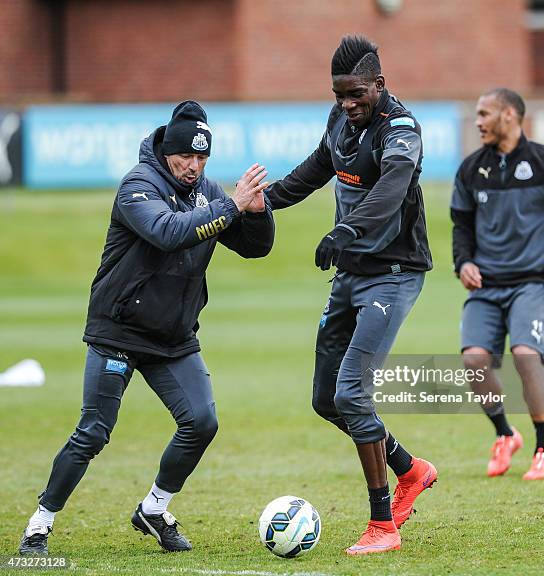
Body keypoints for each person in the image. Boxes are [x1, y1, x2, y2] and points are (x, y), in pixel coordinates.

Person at [18, 101, 274, 555]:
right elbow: (167, 232)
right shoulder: (138, 184)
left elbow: (256, 250)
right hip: (120, 329)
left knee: (201, 422)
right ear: (167, 151)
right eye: (186, 158)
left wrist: (255, 211)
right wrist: (229, 206)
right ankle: (40, 523)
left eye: (202, 159)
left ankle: (154, 509)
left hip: (173, 337)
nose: (193, 167)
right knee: (94, 431)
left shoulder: (207, 190)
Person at [265, 35, 437, 555]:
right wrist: (262, 202)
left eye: (356, 93)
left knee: (351, 395)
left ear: (379, 86)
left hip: (393, 273)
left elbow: (389, 191)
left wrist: (346, 232)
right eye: (340, 94)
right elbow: (316, 168)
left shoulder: (401, 130)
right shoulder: (340, 120)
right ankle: (410, 469)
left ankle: (382, 526)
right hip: (351, 275)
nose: (347, 103)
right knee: (326, 399)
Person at [451, 88, 544, 481]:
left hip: (530, 282)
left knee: (524, 354)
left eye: (485, 113)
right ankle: (505, 434)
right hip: (485, 284)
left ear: (509, 115)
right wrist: (463, 262)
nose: (478, 121)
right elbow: (461, 226)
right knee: (473, 360)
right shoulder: (470, 169)